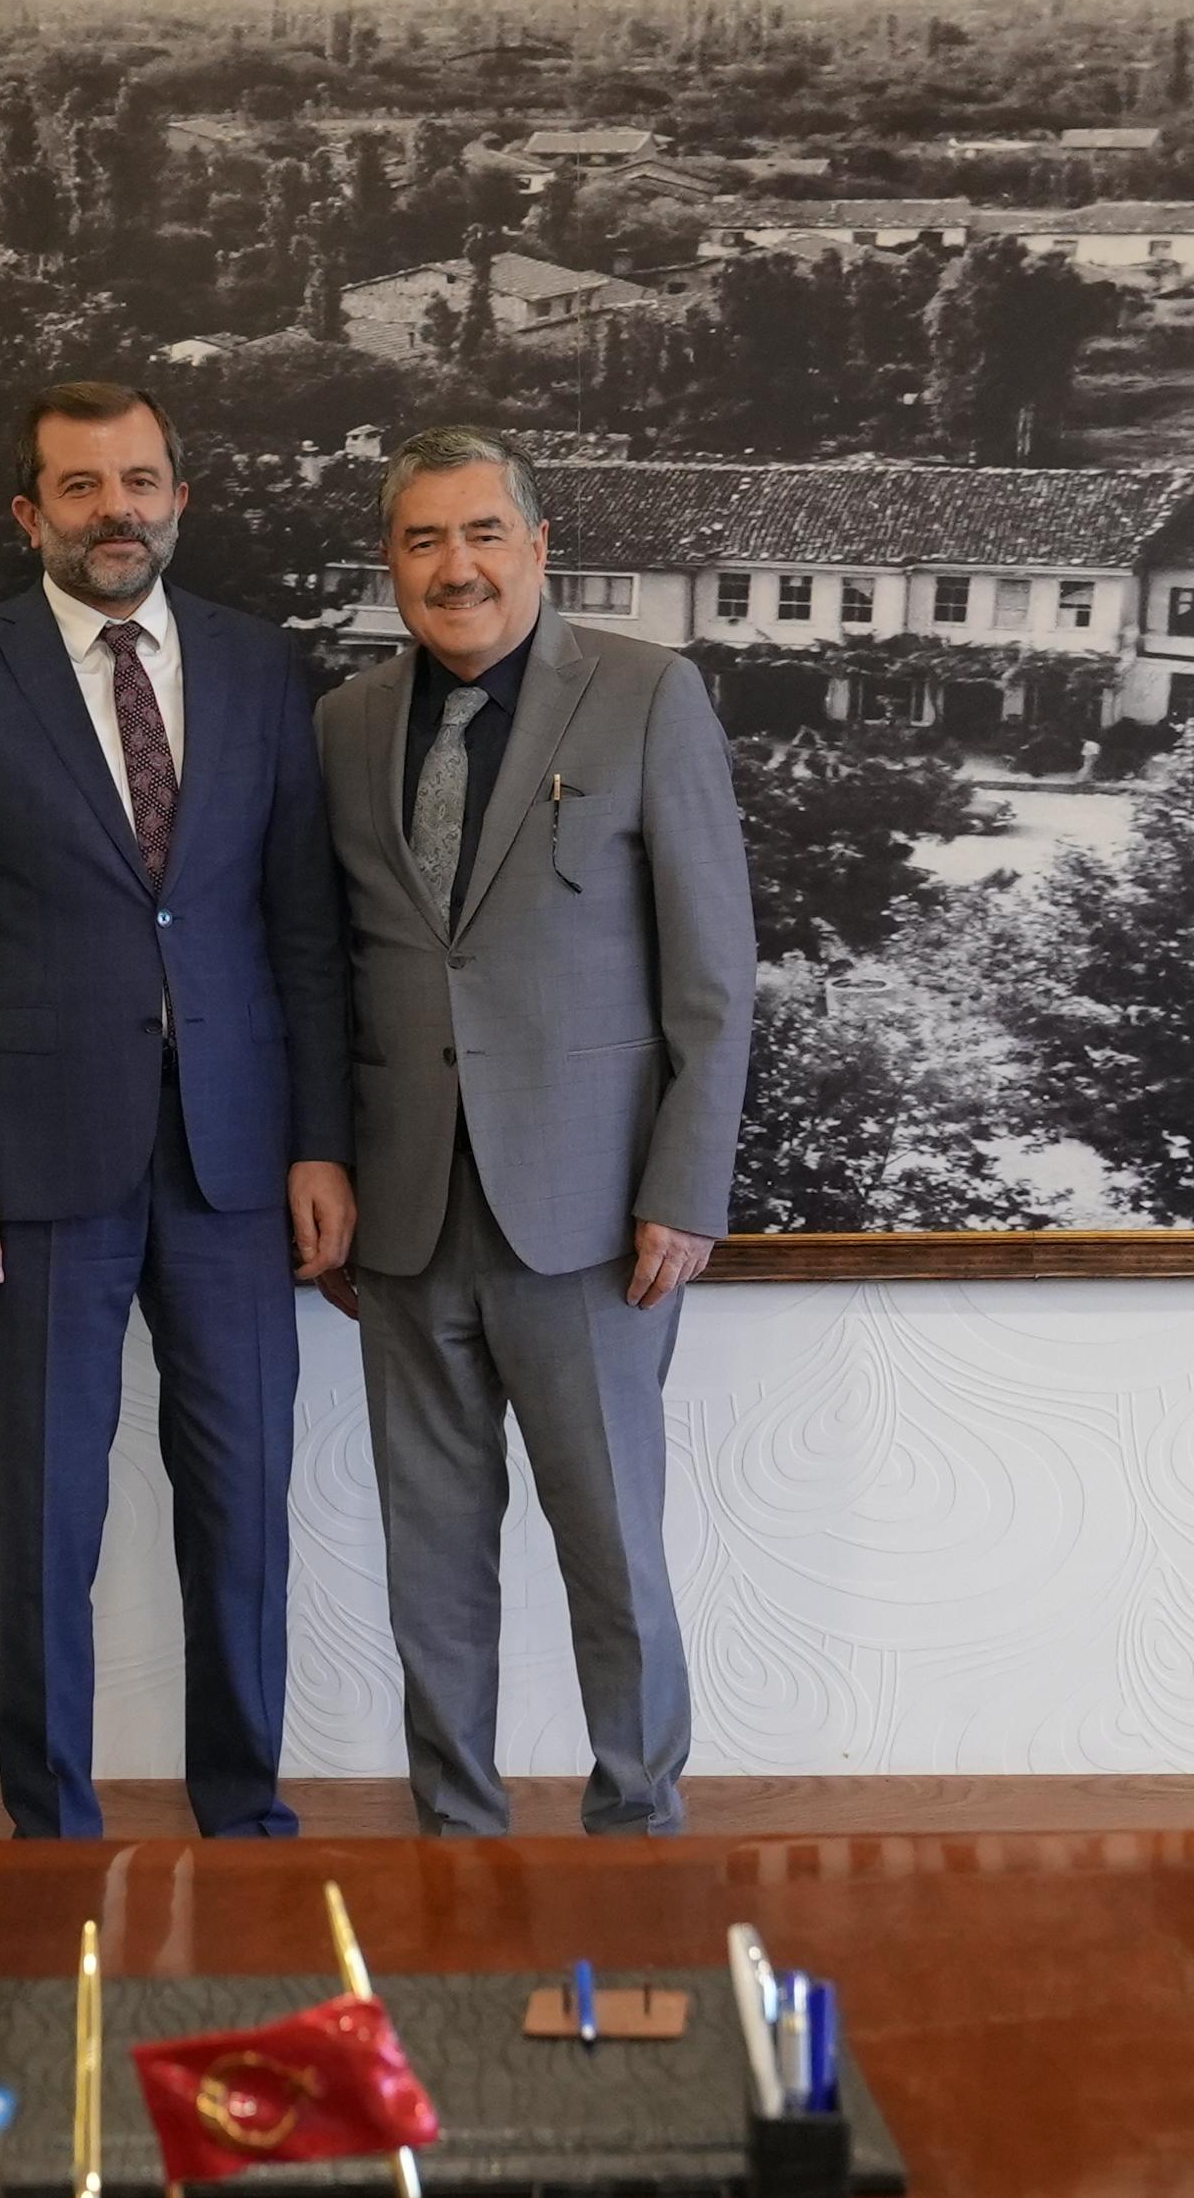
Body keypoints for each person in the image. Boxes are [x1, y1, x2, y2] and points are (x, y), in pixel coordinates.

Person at [0, 379, 355, 1840]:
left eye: (139, 481)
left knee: (244, 1512)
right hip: (31, 1175)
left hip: (233, 1167)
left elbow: (304, 930)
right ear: (32, 515)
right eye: (81, 487)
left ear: (178, 498)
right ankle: (52, 1837)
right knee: (47, 1523)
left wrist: (320, 1142)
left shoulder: (261, 669)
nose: (115, 510)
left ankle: (245, 1820)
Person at [313, 425, 753, 1837]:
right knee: (430, 1561)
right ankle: (458, 1833)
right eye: (423, 540)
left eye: (483, 533)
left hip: (593, 1220)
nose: (457, 567)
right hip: (403, 1221)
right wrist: (323, 1167)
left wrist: (686, 1187)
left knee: (612, 1550)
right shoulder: (345, 725)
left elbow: (714, 976)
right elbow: (324, 970)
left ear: (539, 546)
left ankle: (638, 1826)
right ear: (392, 564)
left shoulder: (647, 695)